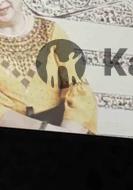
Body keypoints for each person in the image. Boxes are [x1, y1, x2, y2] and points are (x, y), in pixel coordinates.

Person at [0, 0, 96, 133]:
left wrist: (67, 131)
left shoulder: (50, 30)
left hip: (63, 124)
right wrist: (43, 128)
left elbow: (77, 87)